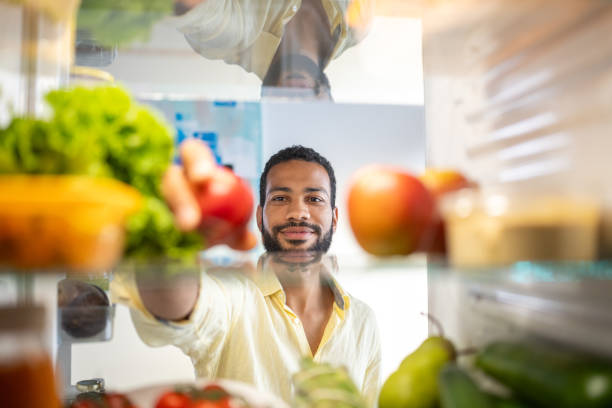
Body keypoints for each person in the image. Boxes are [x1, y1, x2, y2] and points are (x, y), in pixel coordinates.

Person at [111, 140, 381, 406]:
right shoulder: (232, 296)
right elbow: (178, 306)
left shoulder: (362, 320)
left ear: (334, 218)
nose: (298, 212)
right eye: (280, 198)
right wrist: (170, 240)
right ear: (259, 216)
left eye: (314, 198)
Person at [169, 0, 374, 99]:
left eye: (282, 112)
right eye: (308, 115)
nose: (294, 102)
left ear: (265, 103)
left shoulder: (230, 36)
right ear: (328, 101)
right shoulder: (356, 26)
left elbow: (198, 12)